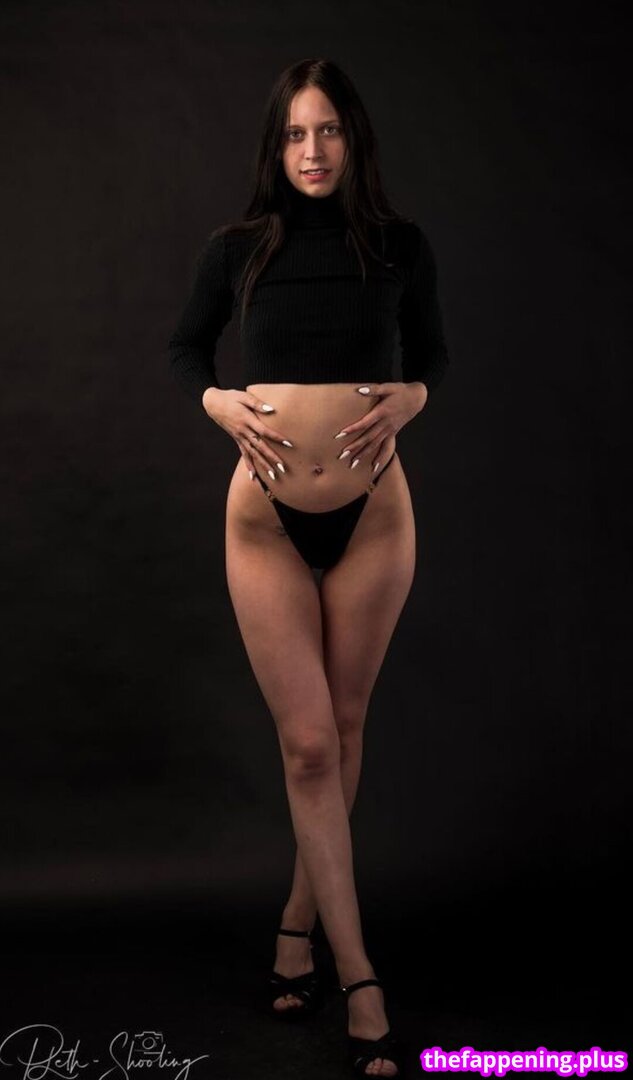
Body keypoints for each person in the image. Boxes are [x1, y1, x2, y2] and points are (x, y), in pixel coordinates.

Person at [168, 57, 450, 1080]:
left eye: (328, 130)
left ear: (352, 139)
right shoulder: (237, 248)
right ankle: (359, 974)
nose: (313, 150)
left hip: (376, 519)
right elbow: (186, 350)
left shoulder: (399, 245)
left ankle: (297, 925)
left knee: (343, 729)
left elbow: (432, 355)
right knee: (306, 747)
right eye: (295, 133)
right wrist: (217, 402)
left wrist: (415, 396)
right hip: (265, 525)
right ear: (275, 147)